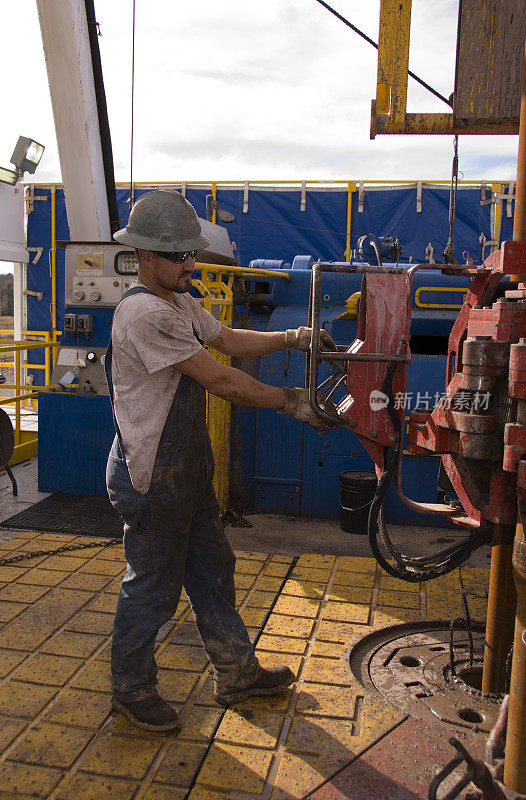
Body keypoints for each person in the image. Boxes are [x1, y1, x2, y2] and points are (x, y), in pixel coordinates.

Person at [106, 189, 337, 732]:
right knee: (153, 587)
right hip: (151, 477)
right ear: (142, 255)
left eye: (191, 253)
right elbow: (220, 379)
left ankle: (236, 671)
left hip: (185, 474)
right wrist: (291, 401)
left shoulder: (180, 303)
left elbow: (229, 341)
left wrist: (291, 337)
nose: (190, 263)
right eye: (176, 254)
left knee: (212, 572)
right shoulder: (144, 313)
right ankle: (130, 687)